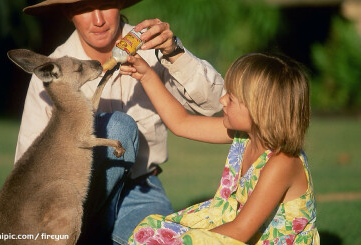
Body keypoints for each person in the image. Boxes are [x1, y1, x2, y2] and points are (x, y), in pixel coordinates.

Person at [15, 0, 225, 244]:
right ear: (69, 12)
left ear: (120, 2)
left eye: (106, 4)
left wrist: (174, 52)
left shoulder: (151, 46)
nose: (98, 19)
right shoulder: (52, 73)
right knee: (118, 127)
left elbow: (214, 104)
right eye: (84, 8)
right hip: (80, 196)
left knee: (164, 240)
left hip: (139, 189)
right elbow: (28, 168)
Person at [122, 53, 320, 244]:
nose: (222, 100)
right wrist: (147, 76)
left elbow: (239, 231)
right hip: (239, 237)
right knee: (154, 233)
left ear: (260, 110)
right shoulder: (245, 136)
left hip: (242, 236)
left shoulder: (282, 163)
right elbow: (181, 123)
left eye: (231, 98)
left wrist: (183, 241)